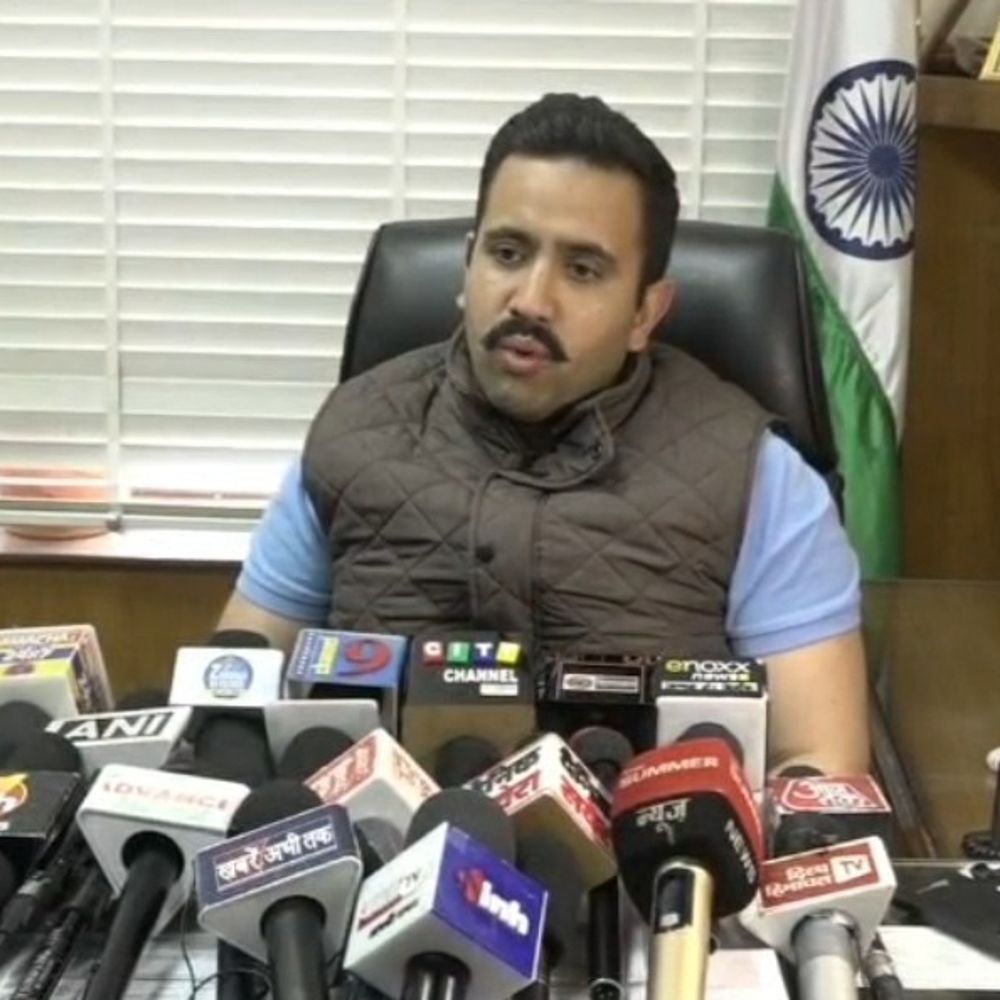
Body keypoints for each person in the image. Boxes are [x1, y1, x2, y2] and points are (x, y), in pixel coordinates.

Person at [216, 93, 868, 776]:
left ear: (646, 313)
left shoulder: (758, 477)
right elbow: (231, 703)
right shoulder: (351, 434)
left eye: (582, 269)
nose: (530, 299)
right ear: (467, 268)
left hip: (648, 843)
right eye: (507, 252)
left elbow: (820, 763)